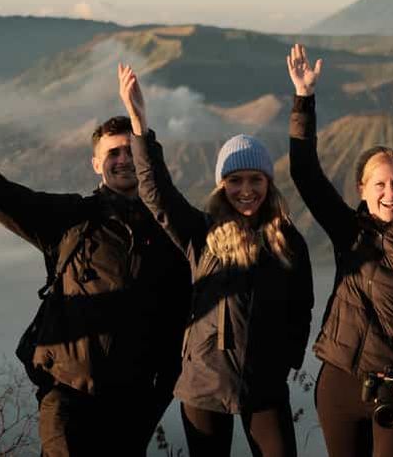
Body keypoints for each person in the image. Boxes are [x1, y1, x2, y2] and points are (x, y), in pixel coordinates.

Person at [118, 64, 313, 457]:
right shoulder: (201, 232)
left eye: (255, 180)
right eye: (235, 181)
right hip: (204, 385)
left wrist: (285, 359)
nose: (246, 190)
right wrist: (140, 126)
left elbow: (302, 305)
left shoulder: (287, 240)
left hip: (264, 385)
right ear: (222, 186)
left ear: (268, 184)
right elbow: (157, 194)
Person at [0, 117, 190, 456]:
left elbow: (182, 323)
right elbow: (1, 195)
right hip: (66, 396)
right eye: (113, 153)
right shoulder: (72, 218)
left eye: (130, 151)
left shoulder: (174, 235)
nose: (123, 159)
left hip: (132, 405)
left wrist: (156, 399)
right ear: (96, 163)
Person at [285, 43, 393, 457]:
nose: (390, 193)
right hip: (337, 382)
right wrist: (304, 98)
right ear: (362, 190)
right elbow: (305, 173)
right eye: (380, 184)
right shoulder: (350, 232)